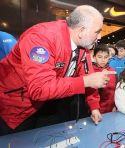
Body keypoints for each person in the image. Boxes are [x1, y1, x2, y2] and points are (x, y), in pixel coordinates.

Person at [0, 5, 116, 135]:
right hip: (16, 109)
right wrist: (84, 82)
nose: (100, 36)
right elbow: (39, 89)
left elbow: (88, 77)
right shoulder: (41, 38)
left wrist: (94, 107)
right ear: (82, 30)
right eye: (97, 31)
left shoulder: (83, 47)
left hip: (48, 106)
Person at [90, 44, 116, 114]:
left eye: (106, 57)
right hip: (96, 110)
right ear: (94, 57)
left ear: (109, 57)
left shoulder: (112, 71)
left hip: (112, 109)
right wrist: (94, 109)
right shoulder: (91, 72)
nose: (103, 60)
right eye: (100, 57)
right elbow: (91, 94)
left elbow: (115, 91)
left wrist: (115, 105)